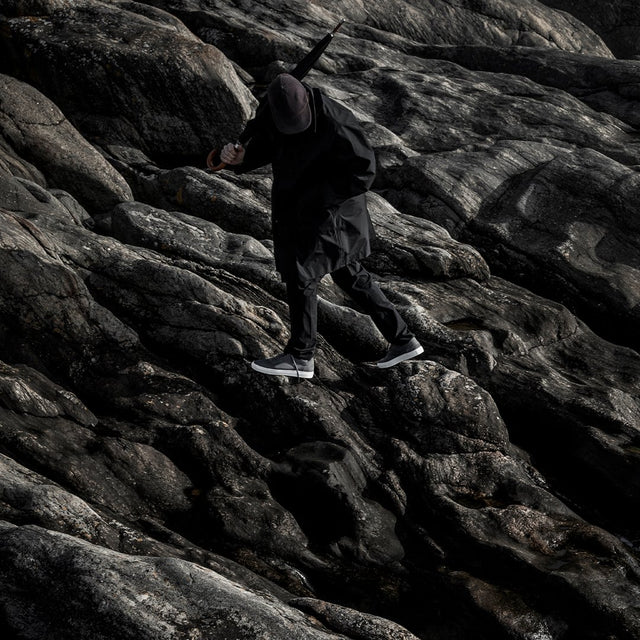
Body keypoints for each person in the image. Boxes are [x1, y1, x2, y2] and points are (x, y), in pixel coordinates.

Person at [216, 73, 423, 379]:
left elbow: (364, 171)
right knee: (348, 273)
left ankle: (301, 356)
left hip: (333, 212)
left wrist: (315, 199)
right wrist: (239, 159)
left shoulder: (337, 121)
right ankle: (403, 340)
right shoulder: (273, 112)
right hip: (307, 208)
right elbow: (269, 144)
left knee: (301, 273)